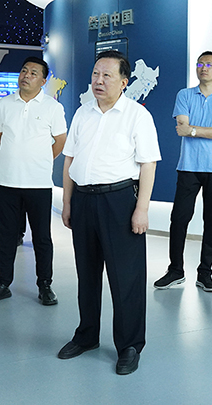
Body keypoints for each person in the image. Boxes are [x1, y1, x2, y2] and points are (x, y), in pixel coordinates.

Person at [57, 50, 161, 376]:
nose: (98, 81)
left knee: (126, 277)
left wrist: (141, 209)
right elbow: (69, 160)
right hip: (83, 200)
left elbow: (148, 164)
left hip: (119, 202)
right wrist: (68, 203)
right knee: (87, 274)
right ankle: (86, 335)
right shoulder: (82, 113)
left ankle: (129, 345)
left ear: (124, 82)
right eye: (95, 74)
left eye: (107, 75)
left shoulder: (137, 115)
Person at [0, 56, 67, 306]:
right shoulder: (4, 104)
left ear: (43, 80)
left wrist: (38, 160)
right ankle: (3, 284)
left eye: (33, 73)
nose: (26, 76)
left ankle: (45, 285)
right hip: (6, 181)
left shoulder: (52, 107)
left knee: (42, 237)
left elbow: (60, 141)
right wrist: (15, 157)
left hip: (38, 183)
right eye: (24, 70)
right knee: (6, 237)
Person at [154, 51, 212, 292]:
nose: (204, 68)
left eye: (209, 64)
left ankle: (205, 273)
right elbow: (182, 127)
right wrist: (205, 131)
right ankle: (175, 270)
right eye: (200, 64)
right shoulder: (184, 95)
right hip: (188, 166)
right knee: (179, 219)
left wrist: (193, 130)